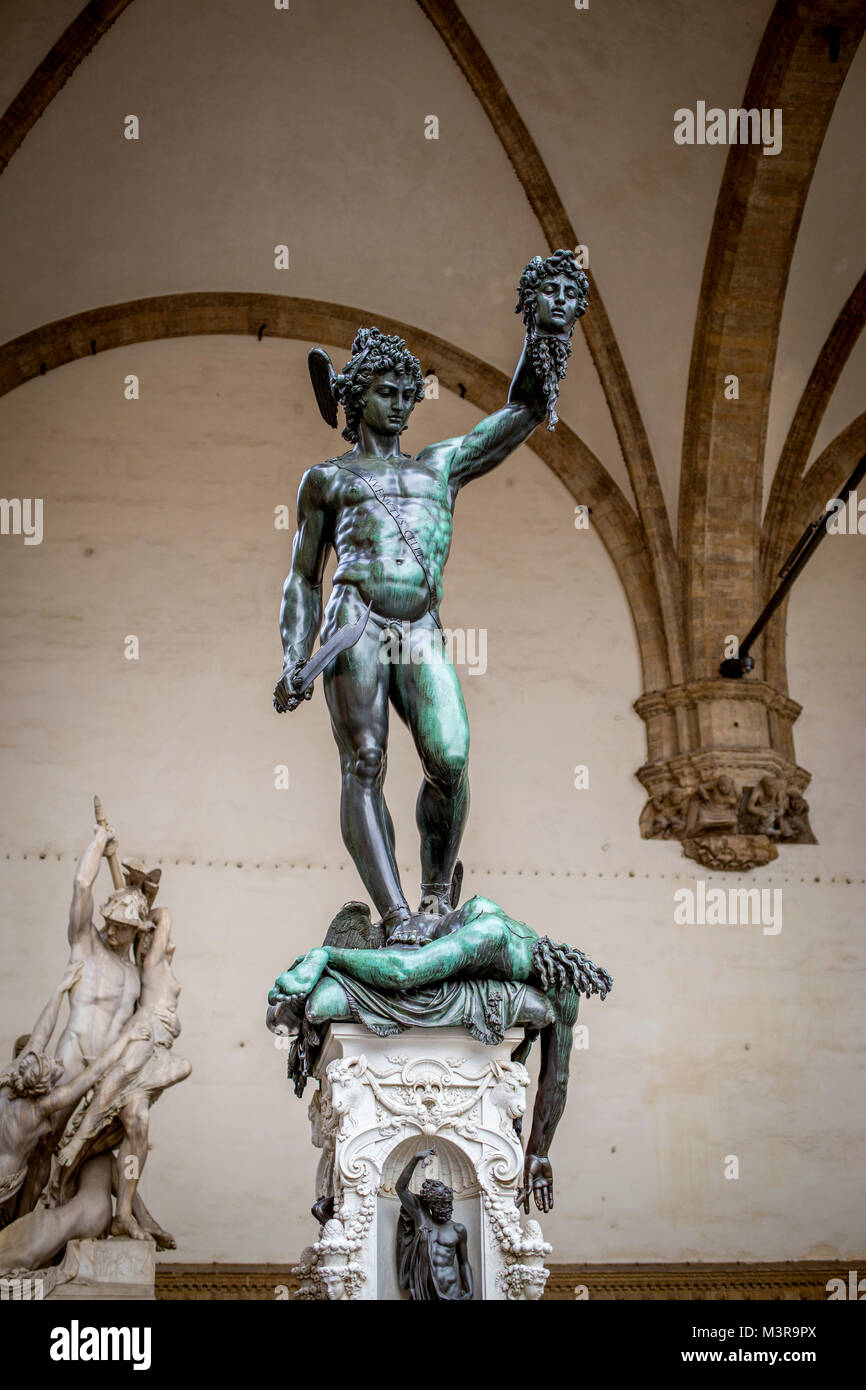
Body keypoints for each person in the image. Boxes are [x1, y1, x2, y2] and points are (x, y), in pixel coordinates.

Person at [273, 253, 589, 945]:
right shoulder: (327, 479)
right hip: (354, 623)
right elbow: (302, 574)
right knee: (365, 761)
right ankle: (394, 915)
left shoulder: (439, 467)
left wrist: (546, 327)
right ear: (358, 399)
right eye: (386, 391)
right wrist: (296, 652)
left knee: (448, 757)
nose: (401, 403)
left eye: (407, 391)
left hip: (418, 628)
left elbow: (525, 409)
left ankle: (437, 898)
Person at [395, 1148, 472, 1301]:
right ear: (431, 1205)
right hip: (422, 1291)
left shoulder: (458, 1229)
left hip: (451, 1291)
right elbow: (400, 1188)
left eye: (449, 1204)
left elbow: (464, 1263)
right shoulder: (421, 1218)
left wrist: (469, 1290)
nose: (448, 1209)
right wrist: (415, 1159)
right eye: (443, 1205)